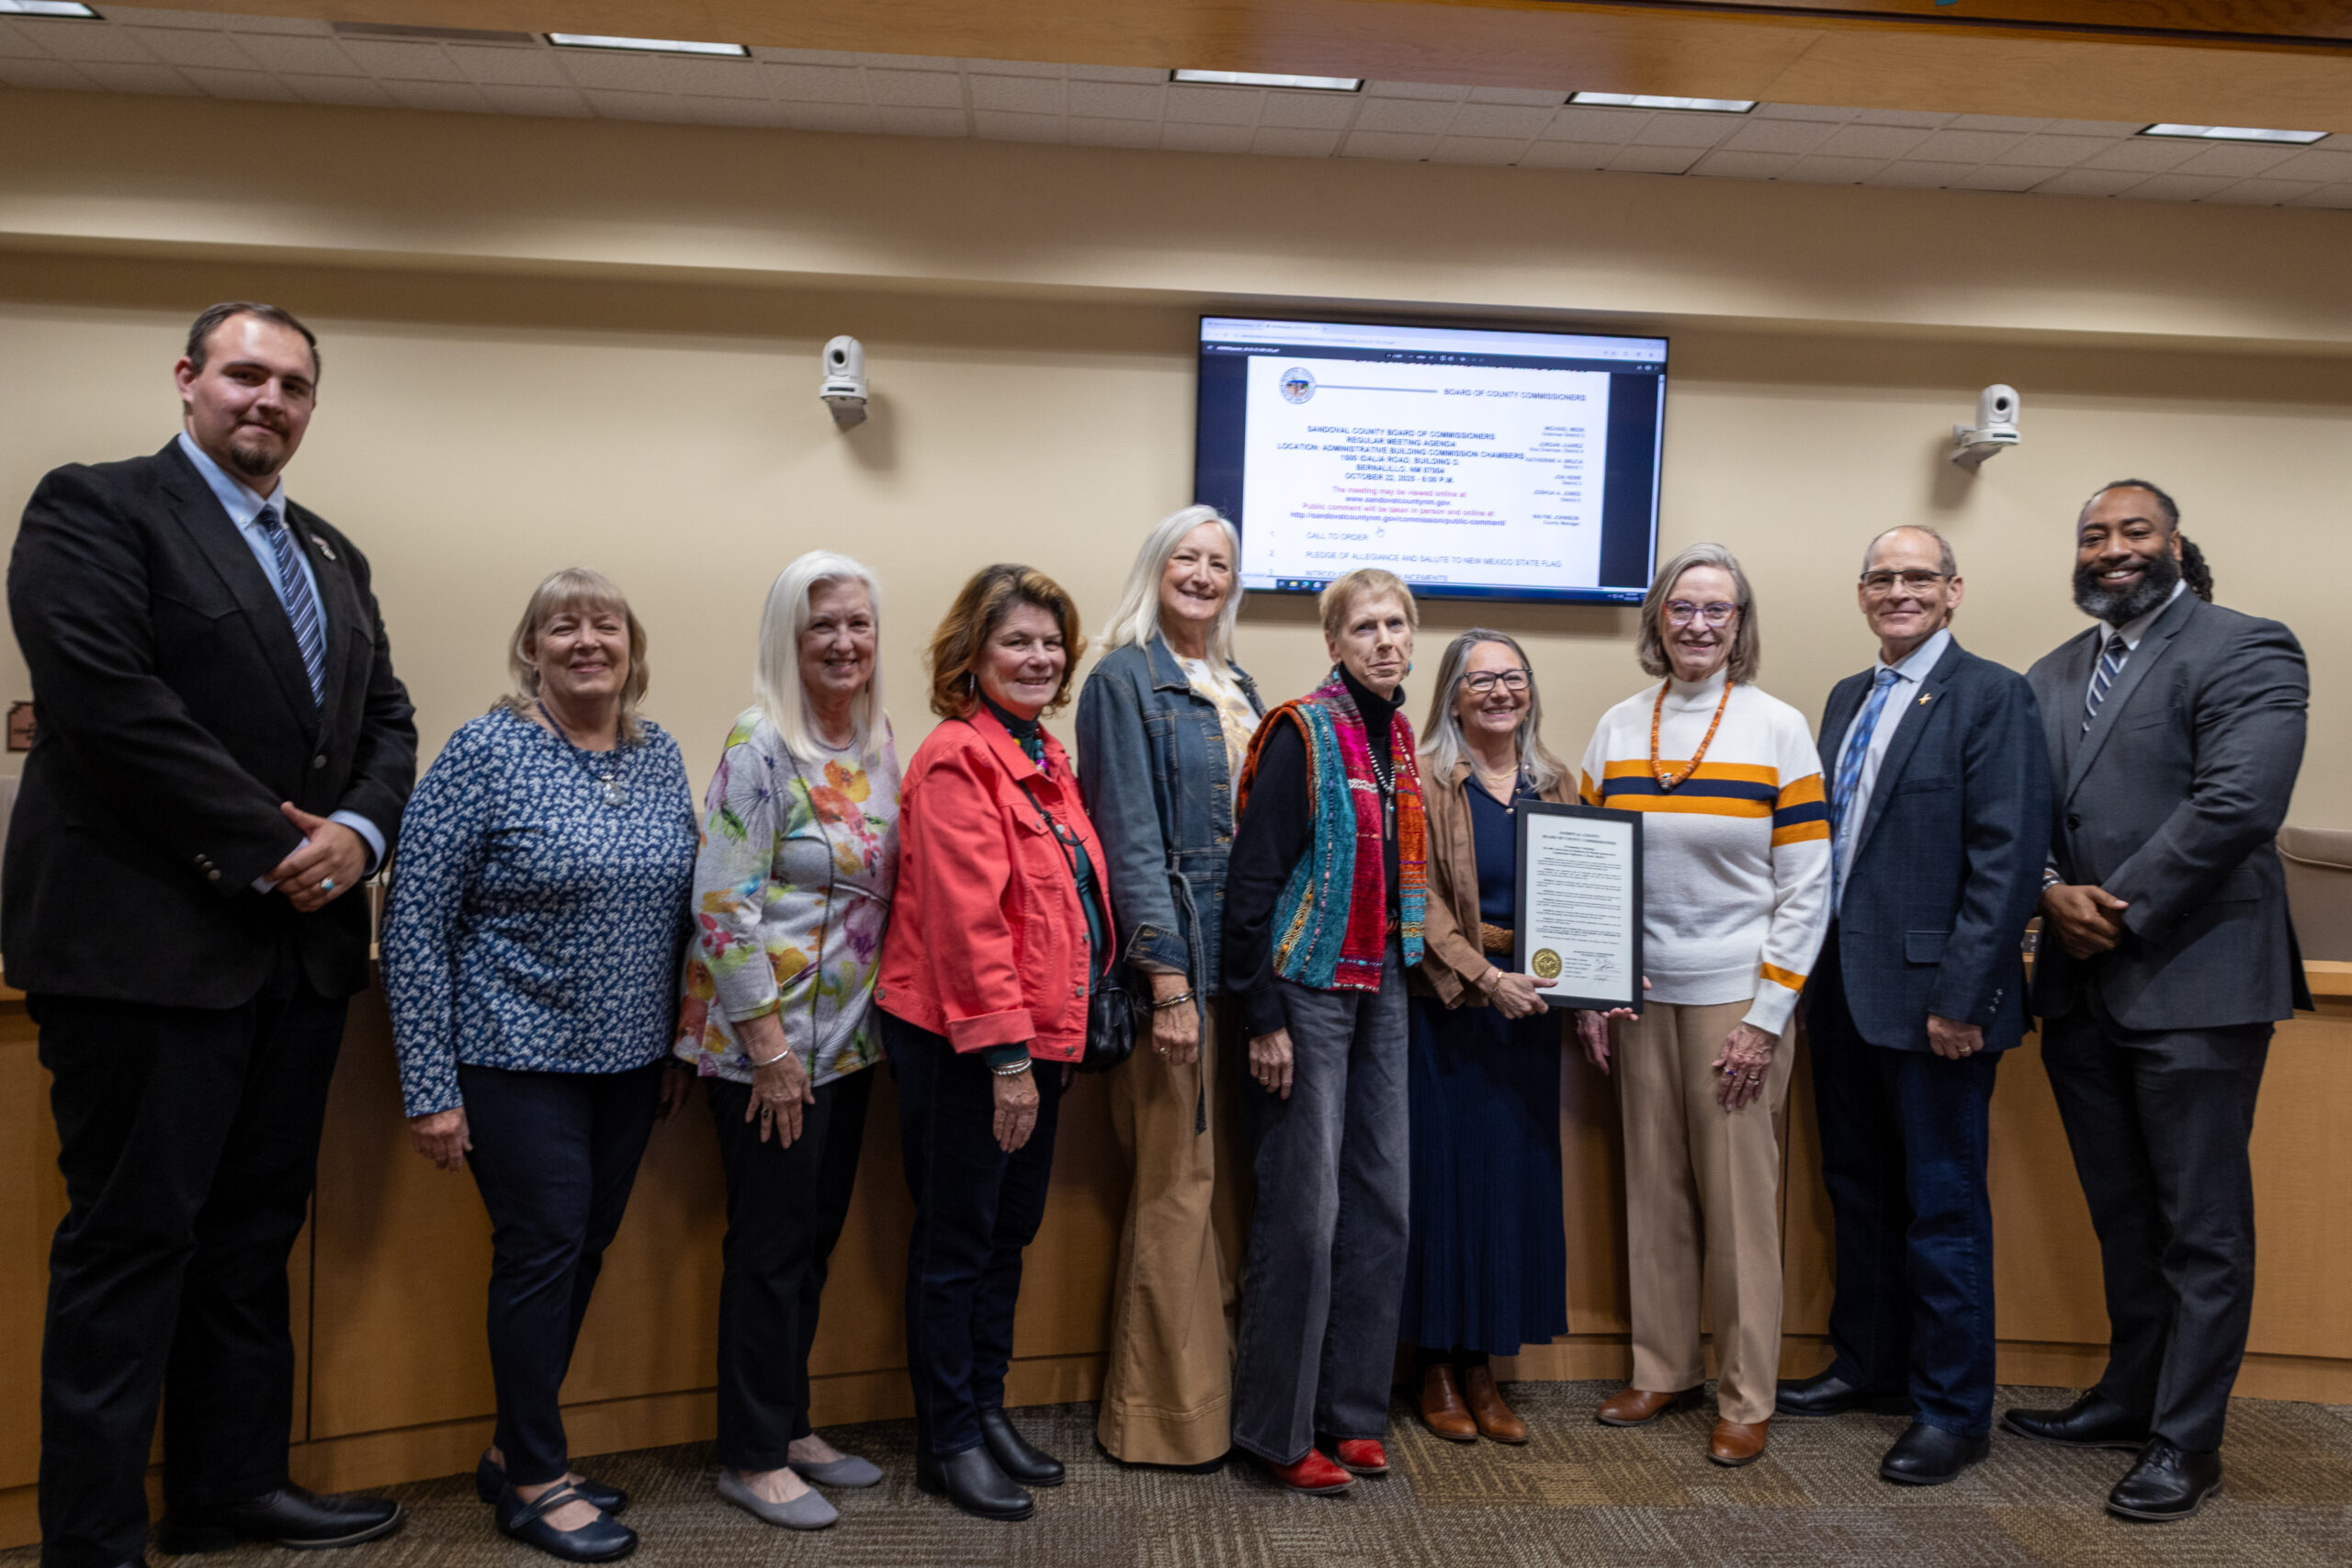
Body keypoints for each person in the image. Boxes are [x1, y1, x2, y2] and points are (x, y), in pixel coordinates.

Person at [6, 302, 416, 1565]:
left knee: (250, 1239)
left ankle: (230, 1486)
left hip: (294, 965)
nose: (269, 398)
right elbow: (108, 705)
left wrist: (358, 828)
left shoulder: (333, 553)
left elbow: (388, 721)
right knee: (133, 1247)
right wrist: (277, 847)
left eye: (295, 384)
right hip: (144, 950)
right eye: (246, 372)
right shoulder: (96, 508)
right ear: (188, 378)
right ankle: (92, 1536)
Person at [2007, 480, 2308, 1522]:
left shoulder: (2247, 647)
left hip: (2196, 980)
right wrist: (2049, 887)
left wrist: (2118, 909)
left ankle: (2188, 1443)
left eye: (2132, 531)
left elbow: (2239, 801)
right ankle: (2130, 1397)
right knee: (2123, 1217)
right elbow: (2023, 812)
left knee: (2201, 1228)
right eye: (2091, 535)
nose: (2110, 549)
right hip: (2082, 991)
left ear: (2174, 544)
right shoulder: (2050, 674)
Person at [383, 569, 697, 1563]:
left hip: (630, 1063)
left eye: (606, 624)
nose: (587, 640)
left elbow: (687, 910)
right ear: (531, 651)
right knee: (544, 1250)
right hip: (512, 1055)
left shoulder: (660, 756)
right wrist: (429, 1088)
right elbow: (415, 921)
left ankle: (513, 1447)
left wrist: (681, 1041)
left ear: (633, 650)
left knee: (584, 1248)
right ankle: (532, 1481)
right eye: (563, 627)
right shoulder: (484, 751)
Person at [1773, 526, 2052, 1485]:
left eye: (1916, 577)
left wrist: (1965, 994)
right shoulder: (1849, 697)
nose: (1898, 591)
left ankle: (1951, 1410)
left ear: (1952, 591)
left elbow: (2006, 858)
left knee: (1941, 1209)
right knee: (1856, 1191)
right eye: (1881, 578)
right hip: (1844, 993)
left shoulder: (1992, 695)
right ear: (1861, 595)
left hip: (1940, 1003)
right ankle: (1868, 1367)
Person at [1576, 542, 1830, 1468]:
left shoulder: (1777, 729)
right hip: (1641, 996)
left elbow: (1807, 886)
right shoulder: (1616, 727)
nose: (1696, 624)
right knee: (1653, 1189)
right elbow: (1591, 872)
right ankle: (1662, 1367)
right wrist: (1593, 990)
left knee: (1738, 1205)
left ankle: (1745, 1392)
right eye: (1681, 608)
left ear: (1739, 624)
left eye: (1715, 610)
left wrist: (1766, 1016)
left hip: (1736, 997)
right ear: (1656, 620)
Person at [874, 564, 1113, 1523]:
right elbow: (969, 925)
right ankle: (949, 1441)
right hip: (968, 1046)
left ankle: (984, 1405)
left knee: (1006, 1234)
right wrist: (1007, 1060)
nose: (1039, 658)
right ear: (971, 654)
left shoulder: (1043, 759)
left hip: (1041, 1040)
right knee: (957, 1241)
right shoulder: (955, 758)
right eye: (1017, 641)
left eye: (1051, 643)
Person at [674, 552, 899, 1531]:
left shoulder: (879, 742)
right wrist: (768, 1047)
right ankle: (753, 1453)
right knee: (768, 1250)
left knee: (812, 1244)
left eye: (857, 623)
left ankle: (793, 1422)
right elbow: (721, 905)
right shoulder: (758, 741)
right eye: (822, 628)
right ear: (788, 640)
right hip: (766, 1050)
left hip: (847, 1046)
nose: (844, 642)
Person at [1223, 569, 1426, 1495]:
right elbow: (1252, 884)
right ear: (1334, 642)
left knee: (1381, 1198)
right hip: (1303, 985)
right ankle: (1276, 1431)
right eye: (1364, 627)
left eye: (1396, 624)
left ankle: (1352, 1416)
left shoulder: (1401, 739)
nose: (1383, 640)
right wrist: (1260, 1016)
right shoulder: (1302, 731)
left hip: (1384, 979)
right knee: (1306, 1213)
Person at [1076, 506, 1264, 1468]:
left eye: (1219, 562)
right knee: (1176, 1191)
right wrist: (1166, 982)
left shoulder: (1236, 684)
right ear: (1156, 569)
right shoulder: (1121, 680)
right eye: (1186, 558)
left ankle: (1219, 1400)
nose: (1202, 574)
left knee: (1225, 1189)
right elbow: (1129, 841)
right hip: (1177, 977)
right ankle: (1161, 1422)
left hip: (1244, 975)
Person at [1402, 630, 1575, 1446]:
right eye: (1482, 681)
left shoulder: (1557, 781)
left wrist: (1603, 982)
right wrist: (1483, 977)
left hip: (1532, 1019)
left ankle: (1484, 1368)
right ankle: (1434, 1366)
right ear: (1453, 694)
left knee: (1511, 1190)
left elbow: (1585, 897)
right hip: (1452, 1011)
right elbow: (1417, 896)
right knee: (1446, 1188)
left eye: (1514, 677)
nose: (1501, 691)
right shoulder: (1426, 780)